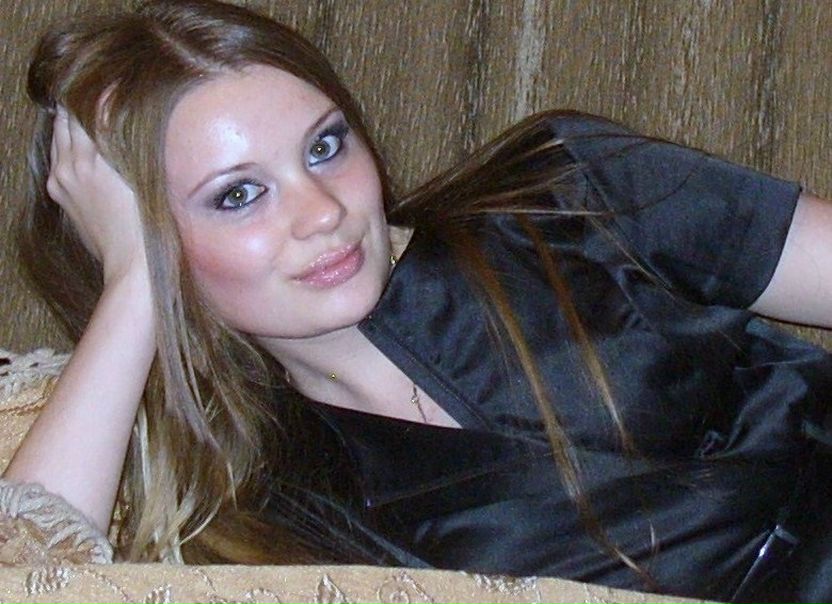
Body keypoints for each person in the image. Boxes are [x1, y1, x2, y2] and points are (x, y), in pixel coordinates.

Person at [1, 0, 831, 602]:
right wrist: (136, 287)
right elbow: (30, 577)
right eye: (237, 195)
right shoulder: (247, 499)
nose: (323, 212)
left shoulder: (563, 192)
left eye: (325, 147)